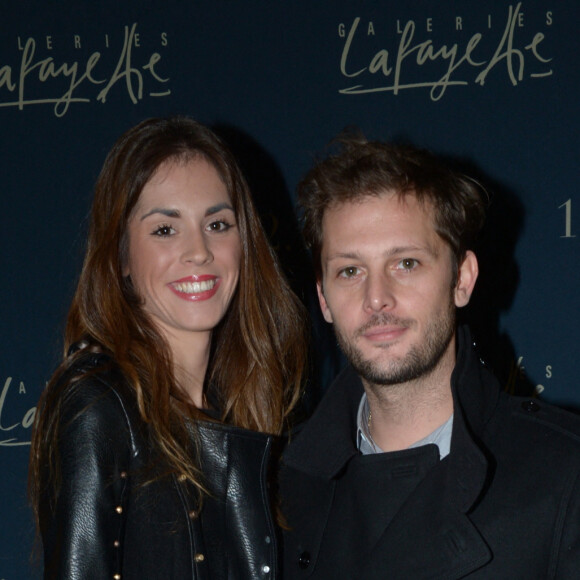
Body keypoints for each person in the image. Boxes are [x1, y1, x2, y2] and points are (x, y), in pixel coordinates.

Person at [280, 131, 580, 579]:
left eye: (406, 264)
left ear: (462, 279)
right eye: (350, 270)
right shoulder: (275, 486)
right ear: (324, 299)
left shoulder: (564, 473)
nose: (376, 298)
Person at [28, 116, 307, 580]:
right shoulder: (97, 406)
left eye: (218, 223)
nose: (199, 251)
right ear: (120, 258)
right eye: (164, 230)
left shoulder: (244, 411)